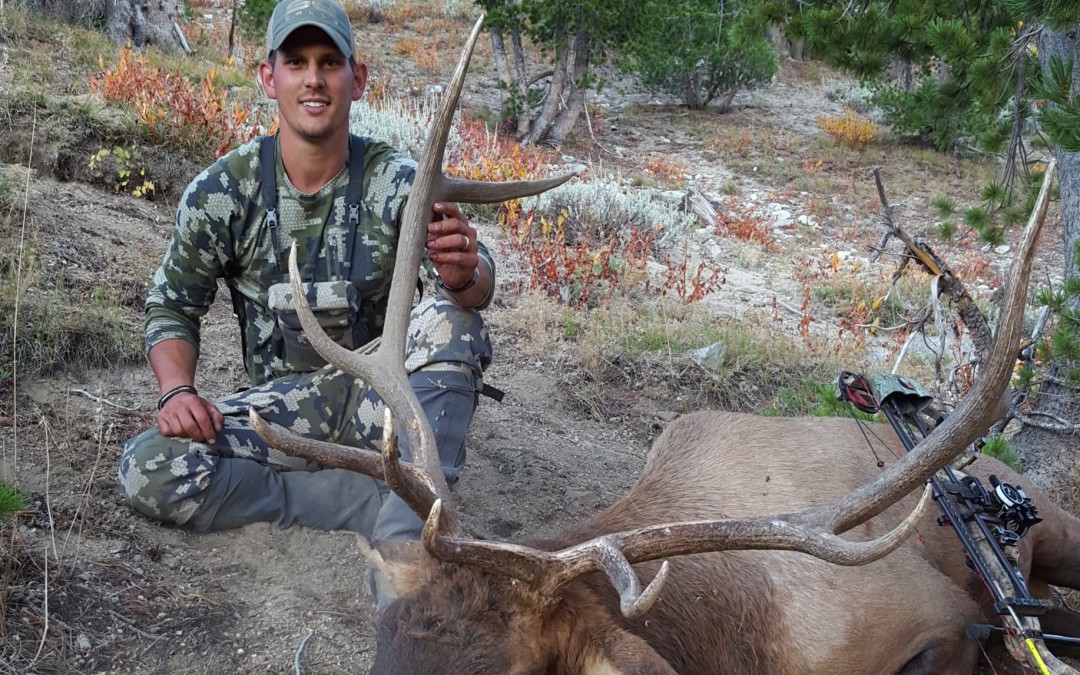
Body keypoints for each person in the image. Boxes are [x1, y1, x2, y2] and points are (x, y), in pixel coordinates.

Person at [118, 0, 494, 557]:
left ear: (357, 79)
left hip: (380, 402)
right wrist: (178, 391)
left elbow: (477, 287)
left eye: (329, 62)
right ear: (270, 78)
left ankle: (402, 543)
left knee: (452, 321)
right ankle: (362, 501)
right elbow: (172, 307)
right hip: (285, 413)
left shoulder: (399, 184)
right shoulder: (222, 192)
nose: (313, 80)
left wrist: (465, 273)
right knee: (149, 466)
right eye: (295, 63)